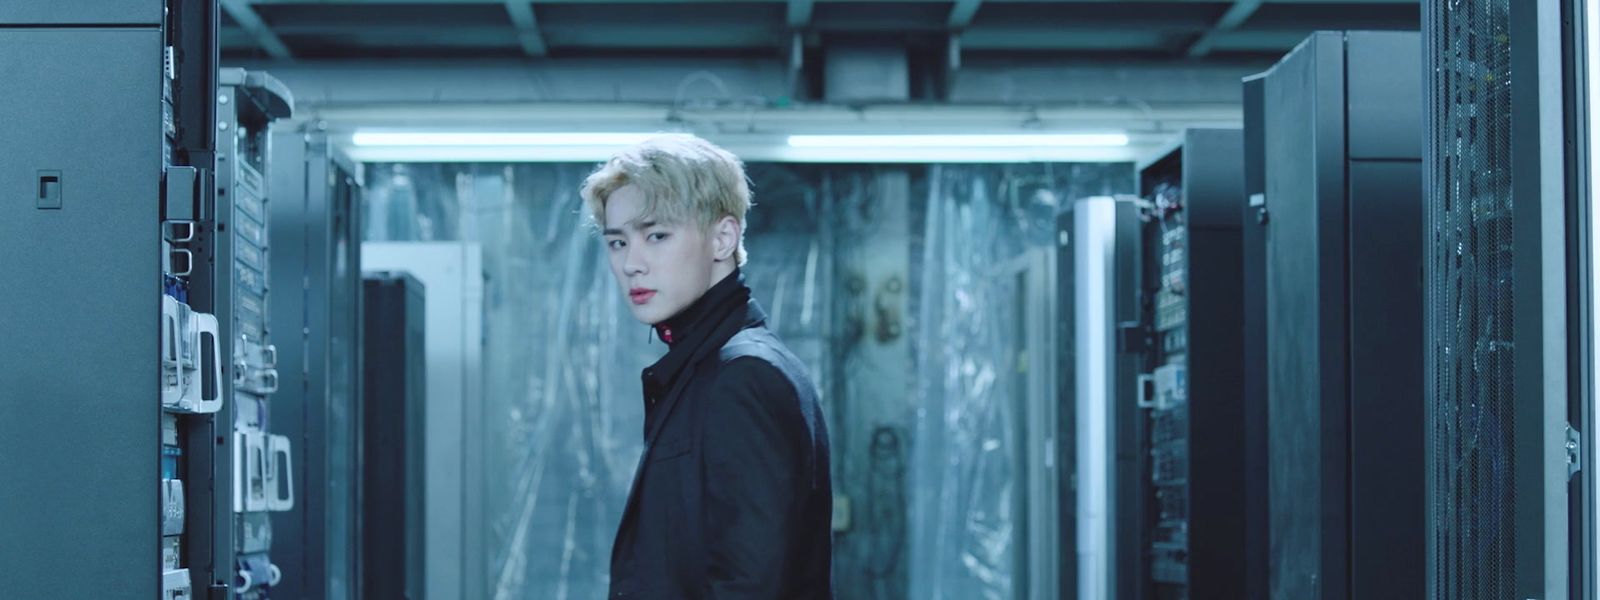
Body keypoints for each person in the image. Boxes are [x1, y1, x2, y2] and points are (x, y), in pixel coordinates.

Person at [582, 134, 835, 599]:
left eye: (656, 235)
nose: (631, 264)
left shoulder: (744, 375)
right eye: (617, 242)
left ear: (723, 238)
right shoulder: (704, 370)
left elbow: (751, 585)